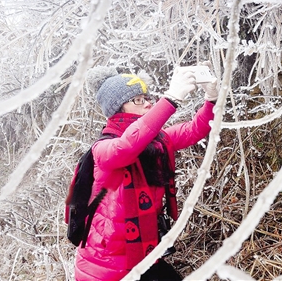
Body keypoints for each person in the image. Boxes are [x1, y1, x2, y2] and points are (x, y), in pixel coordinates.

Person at [74, 65, 218, 281]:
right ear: (117, 109)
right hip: (105, 268)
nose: (148, 103)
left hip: (144, 256)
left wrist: (212, 98)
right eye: (138, 100)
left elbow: (195, 129)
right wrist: (170, 99)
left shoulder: (157, 141)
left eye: (147, 97)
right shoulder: (103, 150)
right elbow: (127, 146)